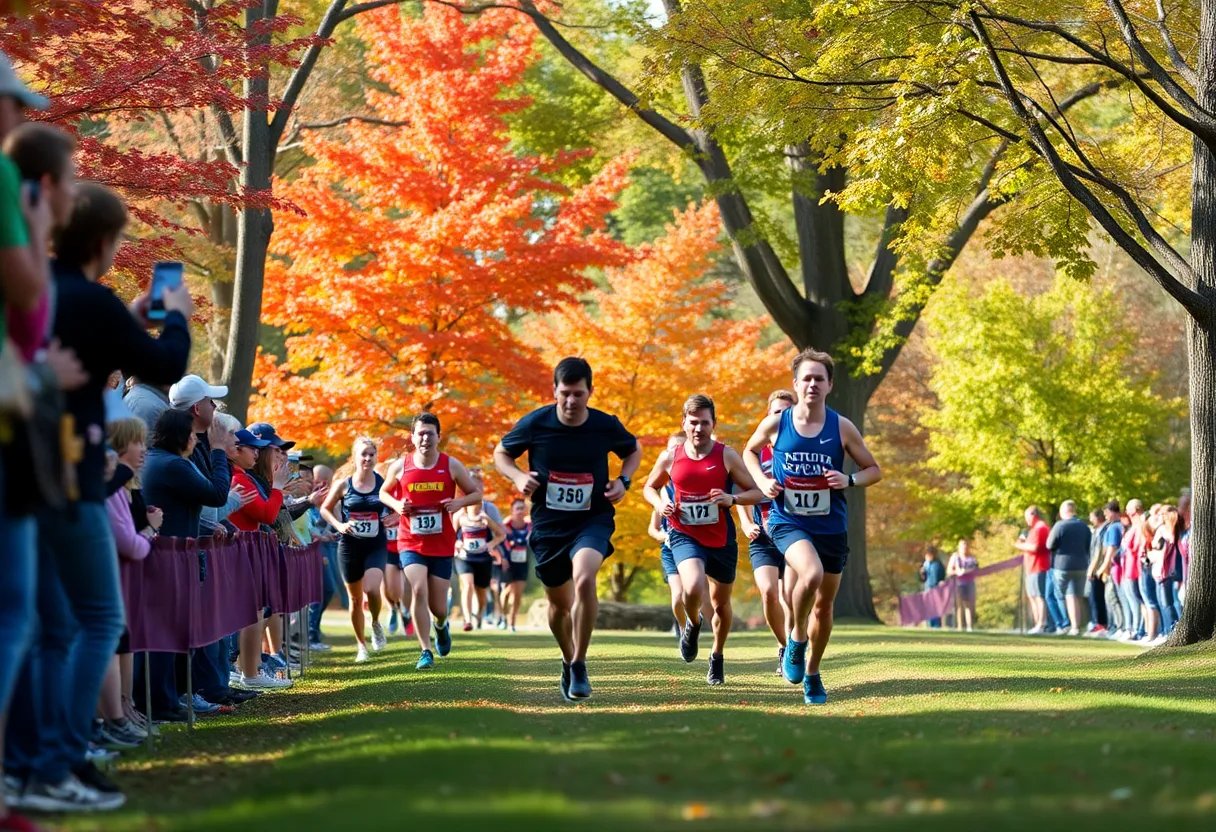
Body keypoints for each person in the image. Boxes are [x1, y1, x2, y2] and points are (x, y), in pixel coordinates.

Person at [5, 182, 193, 813]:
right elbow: (164, 365)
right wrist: (177, 314)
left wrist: (128, 320)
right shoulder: (91, 299)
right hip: (76, 479)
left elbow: (105, 343)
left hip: (30, 472)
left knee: (48, 627)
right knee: (98, 621)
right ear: (107, 244)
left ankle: (33, 758)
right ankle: (60, 756)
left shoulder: (40, 293)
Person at [493, 357, 642, 701]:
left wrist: (624, 480)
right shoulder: (536, 423)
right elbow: (501, 453)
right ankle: (566, 657)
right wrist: (517, 476)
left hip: (592, 519)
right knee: (559, 606)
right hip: (548, 525)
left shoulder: (605, 425)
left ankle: (579, 663)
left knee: (585, 575)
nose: (571, 401)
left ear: (590, 392)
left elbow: (633, 449)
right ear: (554, 391)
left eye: (578, 394)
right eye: (565, 394)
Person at [743, 349, 882, 705]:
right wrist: (762, 480)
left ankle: (813, 672)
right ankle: (796, 638)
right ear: (795, 383)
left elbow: (873, 469)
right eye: (806, 378)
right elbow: (749, 451)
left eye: (819, 378)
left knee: (824, 606)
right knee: (811, 573)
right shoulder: (778, 423)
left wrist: (848, 479)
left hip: (831, 525)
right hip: (787, 520)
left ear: (830, 384)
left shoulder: (842, 427)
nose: (812, 384)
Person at [644, 394, 762, 686]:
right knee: (693, 586)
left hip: (721, 539)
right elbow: (649, 487)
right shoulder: (671, 457)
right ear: (684, 423)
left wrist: (731, 498)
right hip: (684, 534)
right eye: (693, 422)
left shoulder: (726, 455)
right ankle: (693, 625)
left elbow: (757, 492)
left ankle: (717, 657)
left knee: (721, 605)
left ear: (713, 425)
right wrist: (661, 505)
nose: (698, 428)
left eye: (704, 423)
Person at [379, 413, 482, 669]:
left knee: (438, 606)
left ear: (438, 436)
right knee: (417, 590)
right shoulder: (400, 466)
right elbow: (383, 492)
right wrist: (397, 504)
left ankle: (441, 625)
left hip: (441, 543)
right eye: (420, 433)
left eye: (430, 433)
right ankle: (425, 650)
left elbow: (476, 493)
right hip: (410, 541)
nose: (425, 437)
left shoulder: (451, 465)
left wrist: (459, 502)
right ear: (413, 437)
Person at [736, 390, 795, 673]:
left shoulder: (802, 450)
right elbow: (740, 493)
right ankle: (785, 646)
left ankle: (795, 646)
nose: (781, 417)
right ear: (767, 415)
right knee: (769, 592)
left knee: (791, 597)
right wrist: (746, 523)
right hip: (763, 535)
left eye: (787, 411)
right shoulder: (756, 453)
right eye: (776, 412)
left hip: (796, 532)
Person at [320, 437, 391, 662]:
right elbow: (325, 508)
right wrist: (340, 525)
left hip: (375, 544)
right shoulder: (343, 484)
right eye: (363, 454)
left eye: (372, 454)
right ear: (355, 457)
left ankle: (376, 622)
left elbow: (399, 506)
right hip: (349, 545)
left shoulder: (383, 484)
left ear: (376, 457)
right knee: (355, 599)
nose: (368, 458)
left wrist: (394, 517)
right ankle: (361, 646)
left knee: (371, 588)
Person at [453, 500, 507, 631]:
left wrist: (491, 544)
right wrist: (457, 542)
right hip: (464, 557)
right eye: (474, 504)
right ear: (467, 505)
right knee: (468, 585)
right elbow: (450, 535)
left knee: (481, 590)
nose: (477, 507)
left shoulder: (485, 518)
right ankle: (467, 619)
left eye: (479, 505)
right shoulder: (460, 517)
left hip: (483, 558)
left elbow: (501, 535)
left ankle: (478, 615)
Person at [1046, 500, 1091, 636]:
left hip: (1062, 565)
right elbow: (1089, 544)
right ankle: (1077, 626)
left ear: (1062, 512)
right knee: (1077, 596)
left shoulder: (1060, 525)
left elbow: (1049, 544)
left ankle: (1067, 624)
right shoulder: (1084, 526)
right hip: (1082, 564)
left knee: (1062, 596)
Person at [308, 464, 339, 650]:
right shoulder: (308, 501)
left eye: (325, 482)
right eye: (317, 481)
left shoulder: (331, 500)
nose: (320, 486)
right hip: (312, 548)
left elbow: (337, 519)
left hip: (327, 547)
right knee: (320, 589)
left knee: (328, 589)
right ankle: (311, 634)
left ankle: (315, 629)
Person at [1014, 506, 1051, 633]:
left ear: (1033, 514)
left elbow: (1035, 547)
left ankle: (1042, 624)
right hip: (1031, 567)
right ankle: (1037, 624)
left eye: (1027, 517)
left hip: (1039, 566)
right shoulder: (1033, 529)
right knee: (1032, 596)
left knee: (1039, 596)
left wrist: (1020, 545)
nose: (1027, 520)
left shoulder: (1040, 528)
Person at [1150, 506, 1184, 637]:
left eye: (1163, 514)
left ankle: (1173, 632)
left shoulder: (1171, 531)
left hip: (1168, 572)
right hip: (1160, 571)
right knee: (1164, 604)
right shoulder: (1162, 530)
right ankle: (1166, 632)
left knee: (1170, 604)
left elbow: (1162, 546)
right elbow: (1154, 545)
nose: (1161, 517)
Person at [500, 498, 532, 632]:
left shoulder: (529, 525)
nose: (520, 511)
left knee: (517, 593)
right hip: (508, 561)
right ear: (512, 510)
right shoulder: (506, 525)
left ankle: (511, 623)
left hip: (522, 561)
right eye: (517, 508)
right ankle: (502, 616)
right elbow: (499, 541)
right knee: (507, 591)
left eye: (522, 508)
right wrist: (502, 558)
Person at [1085, 509, 1111, 636]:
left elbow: (1098, 552)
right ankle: (1097, 623)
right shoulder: (1097, 530)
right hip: (1096, 568)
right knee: (1094, 597)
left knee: (1098, 597)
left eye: (1092, 517)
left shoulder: (1104, 530)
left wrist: (1091, 569)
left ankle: (1102, 624)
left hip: (1099, 569)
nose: (1091, 520)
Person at [945, 539, 979, 631]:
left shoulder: (972, 558)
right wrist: (957, 572)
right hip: (958, 584)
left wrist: (966, 571)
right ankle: (959, 626)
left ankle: (969, 626)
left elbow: (976, 569)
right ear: (959, 547)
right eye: (962, 546)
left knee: (969, 605)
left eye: (966, 546)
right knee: (959, 605)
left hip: (970, 583)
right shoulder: (955, 557)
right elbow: (949, 571)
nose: (964, 548)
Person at [919, 546, 947, 628]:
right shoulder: (926, 565)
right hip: (927, 587)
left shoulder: (938, 565)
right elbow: (922, 579)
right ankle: (929, 625)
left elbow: (942, 576)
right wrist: (922, 573)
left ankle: (936, 625)